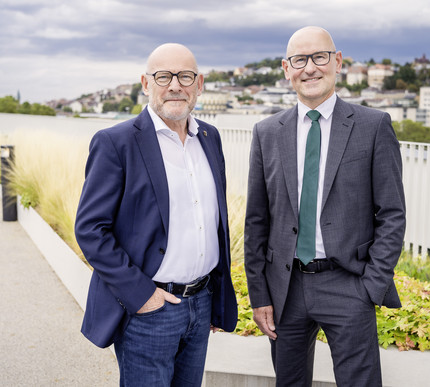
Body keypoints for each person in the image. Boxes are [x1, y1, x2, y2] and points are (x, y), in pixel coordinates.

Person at [244, 26, 406, 386]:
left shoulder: (373, 126)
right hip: (285, 289)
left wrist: (372, 285)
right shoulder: (267, 132)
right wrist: (260, 294)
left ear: (338, 62)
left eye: (319, 57)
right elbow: (257, 220)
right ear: (287, 69)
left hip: (348, 284)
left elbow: (392, 214)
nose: (310, 68)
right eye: (300, 60)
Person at [75, 43, 238, 386]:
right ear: (146, 84)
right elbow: (91, 230)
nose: (175, 85)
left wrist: (213, 296)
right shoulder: (115, 143)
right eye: (164, 76)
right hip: (150, 308)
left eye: (185, 76)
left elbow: (214, 223)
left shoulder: (210, 137)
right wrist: (143, 296)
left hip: (201, 302)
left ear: (200, 84)